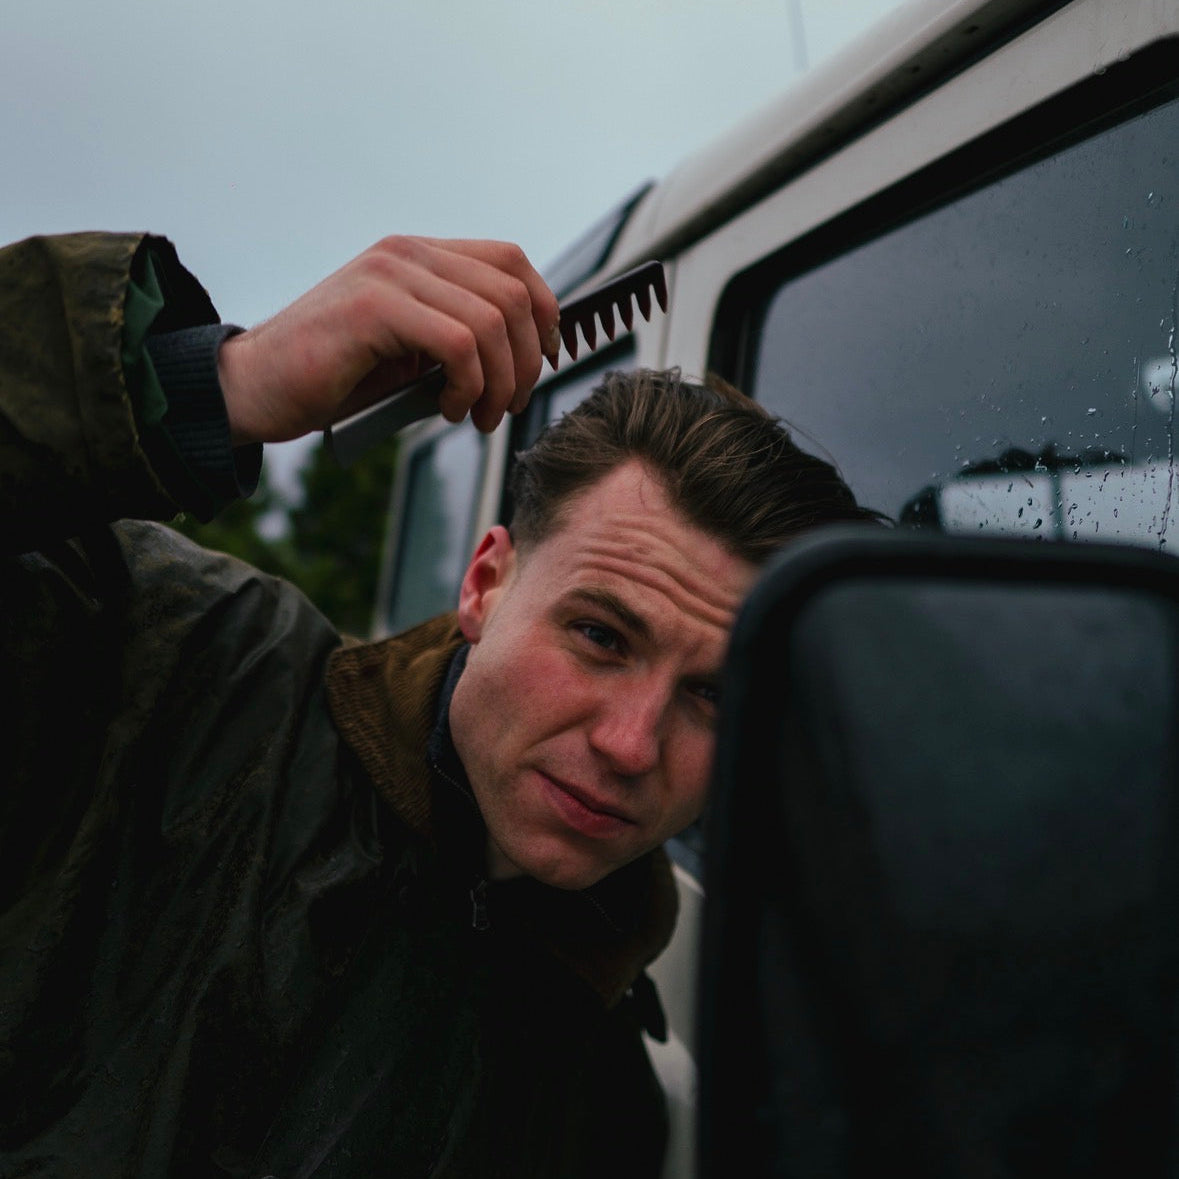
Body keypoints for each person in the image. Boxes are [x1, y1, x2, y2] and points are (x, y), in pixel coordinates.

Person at [0, 231, 879, 1178]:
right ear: (484, 583)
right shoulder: (172, 667)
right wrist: (211, 383)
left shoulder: (606, 1101)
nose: (631, 744)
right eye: (599, 636)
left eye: (711, 694)